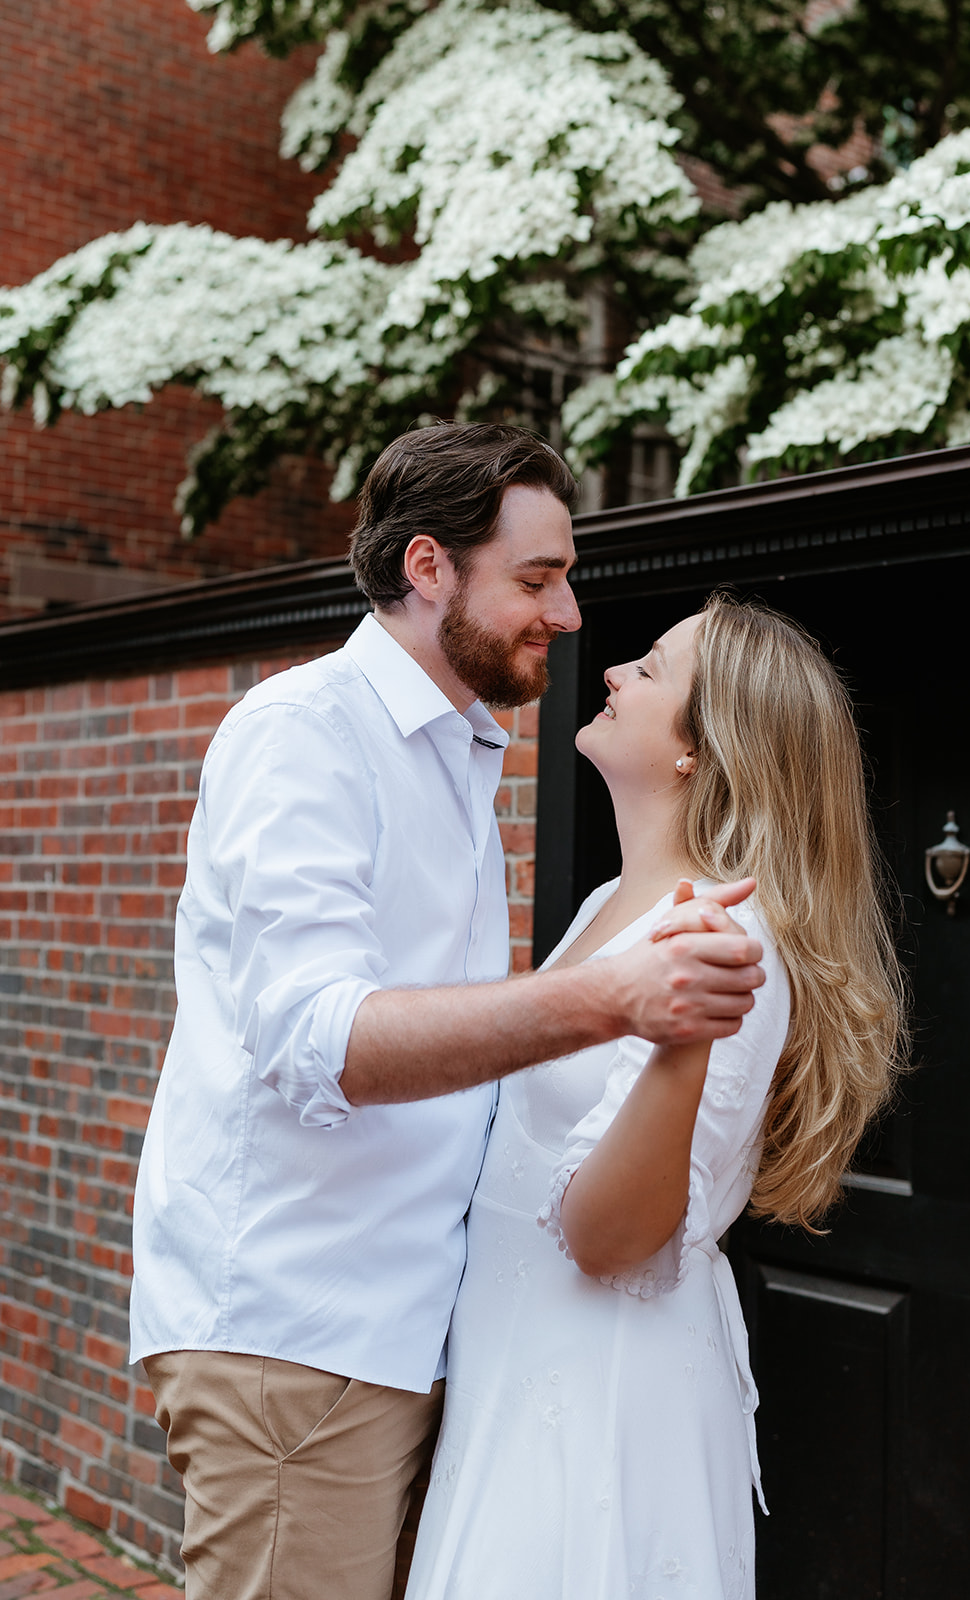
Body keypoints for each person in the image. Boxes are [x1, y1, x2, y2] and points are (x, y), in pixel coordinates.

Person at [129, 424, 766, 1600]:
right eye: (536, 579)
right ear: (428, 568)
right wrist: (606, 999)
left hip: (412, 1338)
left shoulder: (458, 747)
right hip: (300, 1334)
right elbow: (324, 1039)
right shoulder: (306, 735)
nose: (568, 615)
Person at [405, 592, 907, 1600]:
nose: (611, 671)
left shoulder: (727, 943)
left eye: (650, 665)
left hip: (597, 1398)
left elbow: (609, 1238)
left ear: (699, 748)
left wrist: (679, 1043)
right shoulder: (604, 905)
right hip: (513, 1369)